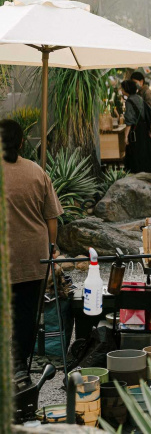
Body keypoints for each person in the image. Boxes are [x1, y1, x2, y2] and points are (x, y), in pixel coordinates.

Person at [1, 120, 63, 373]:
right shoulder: (37, 172)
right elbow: (52, 217)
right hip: (33, 257)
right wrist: (52, 247)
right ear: (22, 143)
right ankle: (20, 365)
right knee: (26, 313)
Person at [120, 79, 151, 175]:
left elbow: (129, 121)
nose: (121, 90)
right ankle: (148, 173)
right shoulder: (139, 98)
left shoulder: (129, 101)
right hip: (144, 129)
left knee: (135, 153)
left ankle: (137, 174)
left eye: (122, 88)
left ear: (126, 89)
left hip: (135, 131)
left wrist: (125, 137)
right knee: (145, 152)